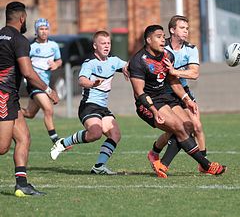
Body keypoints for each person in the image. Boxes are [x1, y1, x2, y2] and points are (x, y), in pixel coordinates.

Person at [128, 24, 227, 178]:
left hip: (166, 97)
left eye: (163, 37)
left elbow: (173, 81)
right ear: (148, 40)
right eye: (158, 37)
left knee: (189, 126)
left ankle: (162, 164)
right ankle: (206, 165)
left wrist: (186, 99)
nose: (162, 40)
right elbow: (139, 92)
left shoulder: (167, 56)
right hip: (148, 103)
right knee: (179, 127)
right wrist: (154, 111)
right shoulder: (138, 61)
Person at [0, 1, 59, 197]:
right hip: (4, 96)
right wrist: (49, 90)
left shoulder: (1, 35)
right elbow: (28, 72)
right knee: (2, 147)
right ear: (22, 18)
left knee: (24, 138)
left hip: (11, 97)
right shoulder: (19, 39)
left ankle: (22, 184)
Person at [50, 30, 128, 175]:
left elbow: (129, 66)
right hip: (88, 106)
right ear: (94, 46)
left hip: (103, 108)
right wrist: (92, 83)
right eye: (103, 43)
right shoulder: (90, 63)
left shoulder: (114, 61)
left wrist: (129, 68)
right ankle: (62, 143)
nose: (106, 46)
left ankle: (99, 166)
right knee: (96, 133)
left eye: (108, 43)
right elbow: (81, 80)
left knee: (115, 134)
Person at [147, 15, 207, 172]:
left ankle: (203, 163)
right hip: (164, 93)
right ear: (172, 30)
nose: (186, 31)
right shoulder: (161, 47)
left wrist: (174, 71)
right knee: (176, 130)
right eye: (182, 28)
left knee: (196, 126)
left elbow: (194, 73)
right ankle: (156, 155)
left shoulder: (191, 49)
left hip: (183, 91)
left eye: (187, 28)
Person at [21, 18, 64, 145]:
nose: (44, 32)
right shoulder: (31, 47)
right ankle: (56, 141)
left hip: (45, 83)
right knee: (48, 109)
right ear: (36, 31)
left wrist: (56, 64)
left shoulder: (54, 46)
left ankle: (8, 110)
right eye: (41, 29)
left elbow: (59, 60)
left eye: (46, 29)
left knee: (29, 113)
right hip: (34, 83)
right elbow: (24, 64)